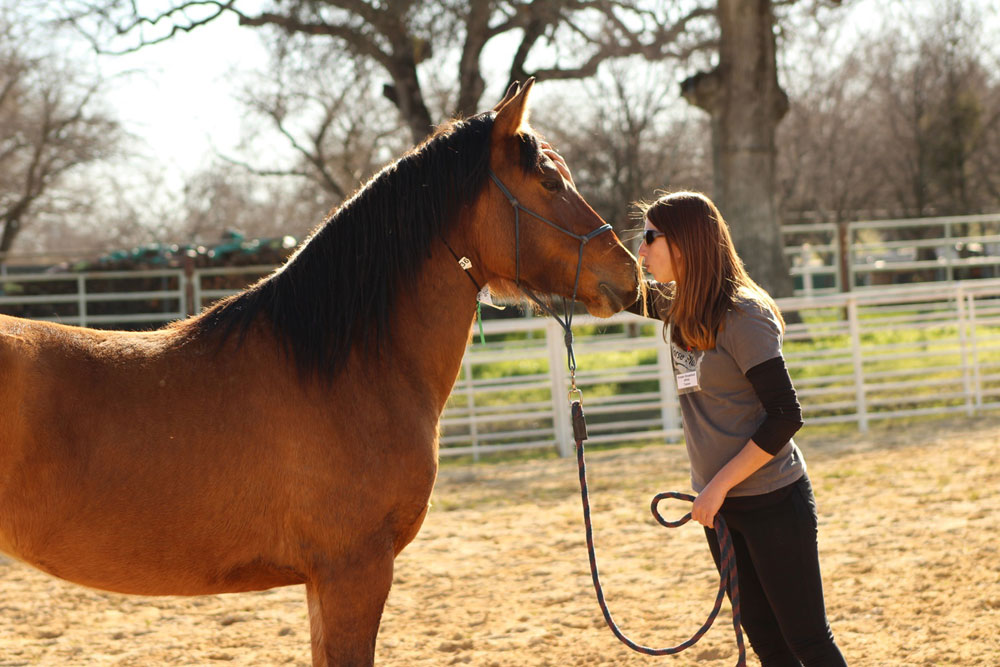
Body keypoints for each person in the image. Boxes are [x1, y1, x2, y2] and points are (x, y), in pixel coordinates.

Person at [626, 191, 848, 667]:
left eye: (648, 238)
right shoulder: (680, 307)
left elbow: (785, 415)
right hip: (723, 508)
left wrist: (717, 487)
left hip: (771, 502)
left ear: (683, 243)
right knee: (769, 646)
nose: (640, 250)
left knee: (807, 641)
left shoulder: (743, 315)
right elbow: (611, 285)